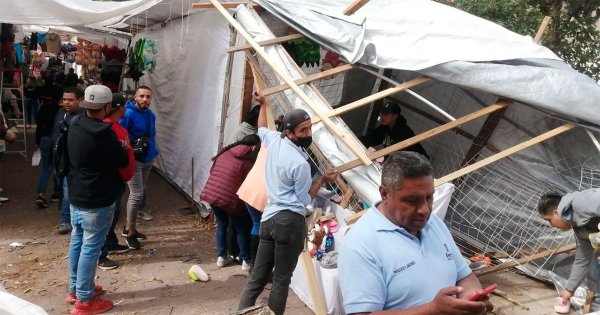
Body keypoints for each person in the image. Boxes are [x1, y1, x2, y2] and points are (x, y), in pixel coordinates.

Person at [338, 151, 492, 314]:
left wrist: (471, 295)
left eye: (429, 197)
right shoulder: (360, 244)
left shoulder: (434, 224)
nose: (425, 210)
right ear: (385, 194)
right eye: (412, 200)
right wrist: (432, 310)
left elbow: (465, 276)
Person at [238, 91, 338, 314]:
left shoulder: (275, 141)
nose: (308, 133)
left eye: (310, 128)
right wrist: (321, 179)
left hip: (268, 219)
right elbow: (304, 201)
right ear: (290, 132)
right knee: (282, 281)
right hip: (289, 223)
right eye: (303, 130)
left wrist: (263, 104)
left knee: (256, 279)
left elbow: (262, 128)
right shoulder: (300, 164)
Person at [66, 85, 129, 314]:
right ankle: (84, 300)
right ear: (107, 106)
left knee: (78, 242)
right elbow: (122, 161)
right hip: (97, 199)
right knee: (91, 248)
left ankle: (75, 289)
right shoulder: (105, 133)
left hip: (76, 195)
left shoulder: (75, 124)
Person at [201, 134, 260, 271]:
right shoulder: (248, 161)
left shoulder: (225, 152)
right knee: (241, 228)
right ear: (253, 147)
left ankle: (222, 257)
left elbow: (213, 171)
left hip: (212, 193)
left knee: (222, 224)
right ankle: (246, 260)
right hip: (230, 198)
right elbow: (250, 183)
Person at [537, 190, 600, 305]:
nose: (552, 225)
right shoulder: (581, 230)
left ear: (556, 212)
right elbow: (582, 260)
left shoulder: (579, 202)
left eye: (549, 220)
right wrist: (569, 290)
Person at [98, 93, 136, 270]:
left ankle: (110, 243)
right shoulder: (107, 129)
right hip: (111, 180)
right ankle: (102, 254)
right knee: (107, 218)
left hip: (118, 180)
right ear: (120, 108)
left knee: (113, 214)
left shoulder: (114, 127)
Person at [119, 86, 158, 250]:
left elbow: (152, 135)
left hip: (148, 158)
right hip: (134, 160)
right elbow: (121, 134)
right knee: (136, 195)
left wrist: (154, 153)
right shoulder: (128, 114)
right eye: (141, 96)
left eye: (148, 97)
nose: (145, 100)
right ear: (135, 97)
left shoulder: (151, 115)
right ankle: (130, 233)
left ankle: (129, 226)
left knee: (140, 192)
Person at [51, 87, 84, 234]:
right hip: (61, 160)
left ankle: (68, 221)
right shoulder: (60, 113)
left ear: (80, 101)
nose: (66, 102)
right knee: (65, 192)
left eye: (70, 100)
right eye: (64, 99)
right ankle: (66, 220)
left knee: (69, 192)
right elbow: (55, 135)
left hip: (75, 163)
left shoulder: (83, 117)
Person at [361, 100, 429, 159]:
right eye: (382, 113)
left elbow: (393, 156)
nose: (382, 116)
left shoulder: (403, 133)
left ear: (395, 116)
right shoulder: (385, 127)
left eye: (386, 114)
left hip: (416, 165)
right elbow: (370, 139)